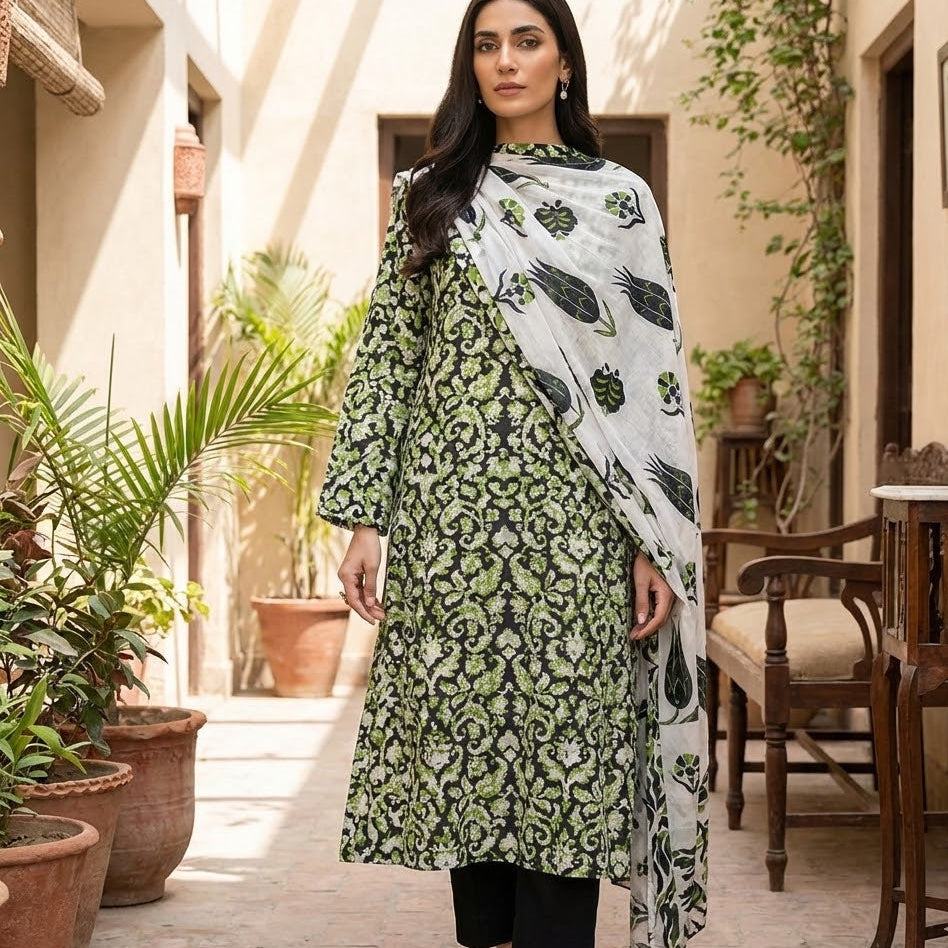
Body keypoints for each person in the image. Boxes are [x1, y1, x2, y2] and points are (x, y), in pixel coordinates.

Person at [317, 1, 708, 945]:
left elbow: (655, 383)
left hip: (576, 536)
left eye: (527, 41)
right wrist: (367, 519)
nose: (506, 61)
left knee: (568, 787)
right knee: (473, 785)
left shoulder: (619, 200)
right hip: (453, 544)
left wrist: (650, 544)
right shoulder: (431, 192)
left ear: (565, 63)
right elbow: (388, 363)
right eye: (486, 44)